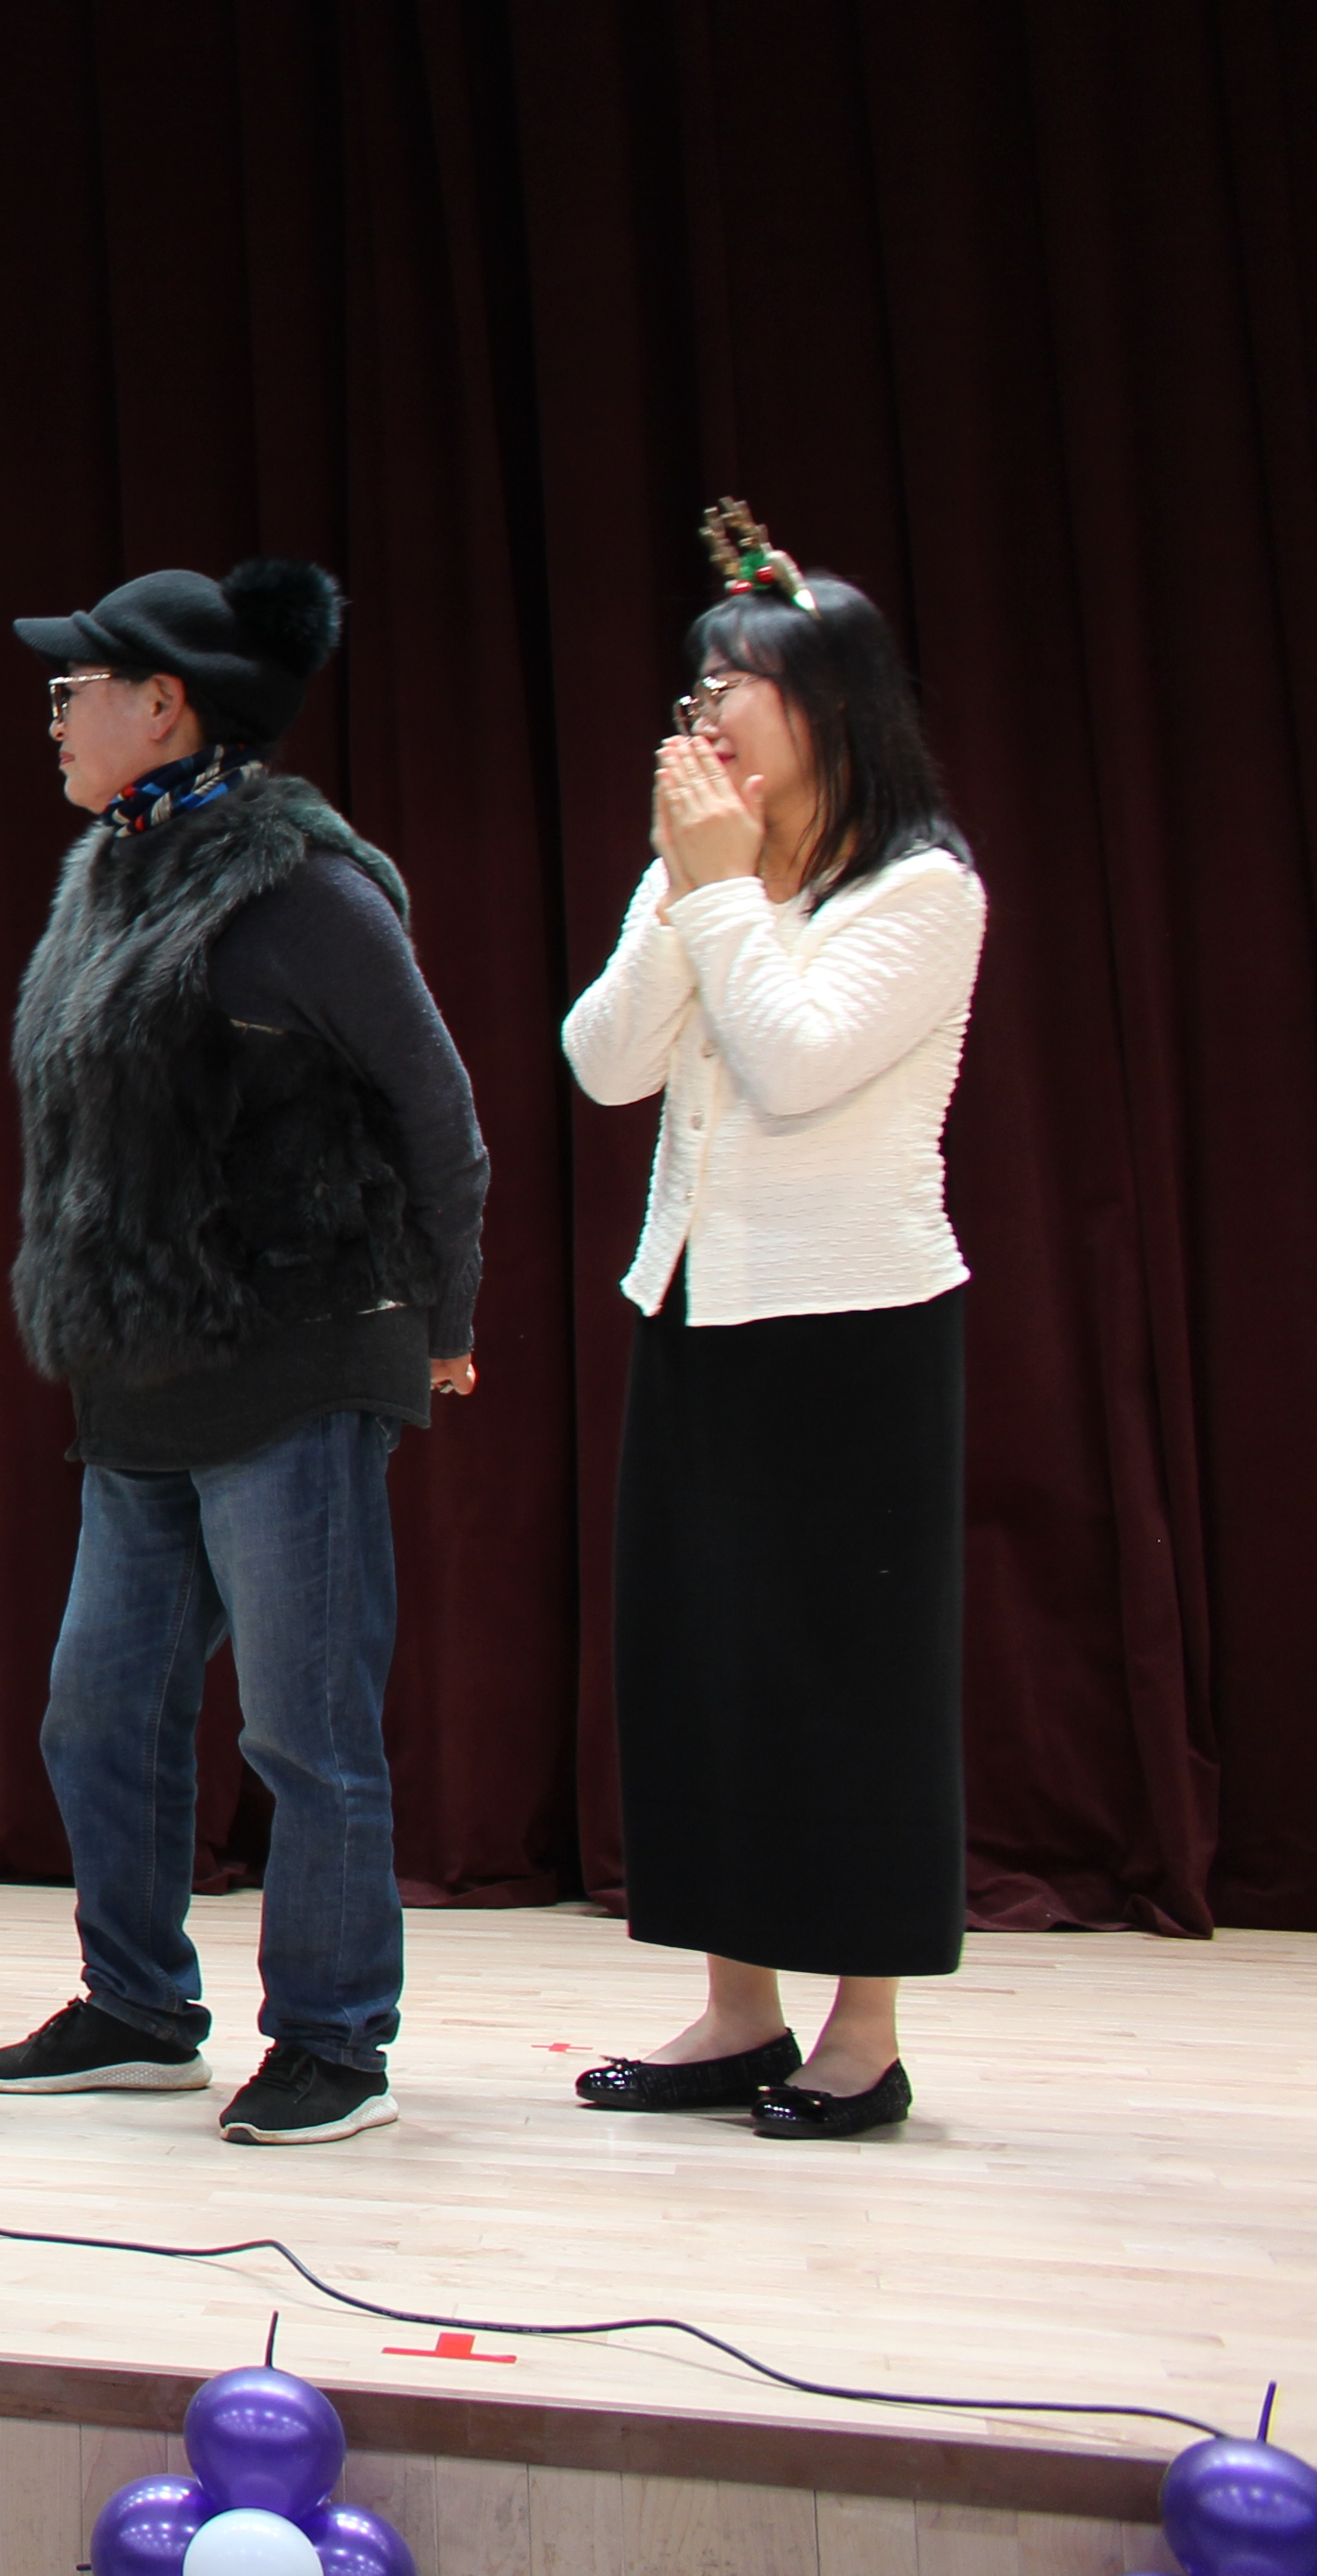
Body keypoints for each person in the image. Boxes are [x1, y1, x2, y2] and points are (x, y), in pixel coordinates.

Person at [0, 559, 488, 2147]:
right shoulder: (104, 875)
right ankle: (136, 2006)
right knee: (95, 1709)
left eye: (75, 686)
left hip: (294, 1358)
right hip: (143, 1375)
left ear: (165, 704)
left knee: (301, 1729)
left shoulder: (302, 891)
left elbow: (441, 1117)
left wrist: (445, 1319)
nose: (55, 711)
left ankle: (332, 2040)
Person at [558, 508, 983, 2142]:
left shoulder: (921, 889)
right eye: (701, 684)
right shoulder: (703, 877)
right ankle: (735, 2008)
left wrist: (716, 893)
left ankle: (861, 2032)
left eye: (741, 681)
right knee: (702, 1667)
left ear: (836, 704)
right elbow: (605, 1064)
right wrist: (687, 895)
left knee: (848, 1678)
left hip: (855, 1331)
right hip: (697, 1308)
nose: (709, 710)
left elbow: (799, 1064)